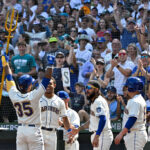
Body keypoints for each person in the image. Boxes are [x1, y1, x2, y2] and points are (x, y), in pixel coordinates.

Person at [3, 54, 55, 150]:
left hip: (21, 131)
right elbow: (47, 79)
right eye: (31, 83)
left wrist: (5, 64)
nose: (32, 85)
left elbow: (9, 77)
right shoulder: (33, 96)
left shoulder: (13, 94)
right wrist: (50, 65)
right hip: (34, 131)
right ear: (29, 86)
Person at [71, 80, 113, 150]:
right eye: (86, 88)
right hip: (99, 134)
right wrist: (79, 129)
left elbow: (103, 119)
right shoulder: (94, 101)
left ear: (96, 89)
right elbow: (92, 121)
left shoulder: (98, 101)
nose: (87, 90)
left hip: (102, 135)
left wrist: (97, 136)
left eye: (89, 88)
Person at [114, 77, 148, 149]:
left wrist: (121, 134)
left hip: (135, 134)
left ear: (131, 87)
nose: (126, 88)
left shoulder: (135, 101)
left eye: (127, 86)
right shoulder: (137, 99)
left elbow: (132, 119)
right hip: (136, 134)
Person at [40, 78, 73, 150]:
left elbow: (65, 118)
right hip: (39, 132)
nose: (48, 86)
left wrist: (70, 132)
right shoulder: (38, 99)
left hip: (52, 133)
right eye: (46, 84)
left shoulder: (60, 101)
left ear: (54, 85)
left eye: (50, 84)